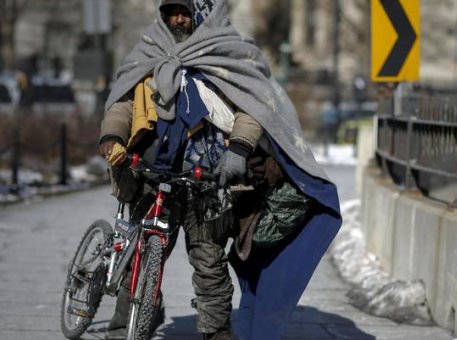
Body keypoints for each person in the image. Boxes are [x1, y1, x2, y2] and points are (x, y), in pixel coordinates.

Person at [101, 0, 342, 339]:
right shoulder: (151, 48)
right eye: (171, 12)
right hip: (156, 172)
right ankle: (124, 325)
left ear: (203, 13)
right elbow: (124, 103)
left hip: (208, 179)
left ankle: (216, 332)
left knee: (209, 261)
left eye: (185, 11)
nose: (178, 19)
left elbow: (254, 105)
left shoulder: (230, 51)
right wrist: (112, 136)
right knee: (140, 252)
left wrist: (239, 150)